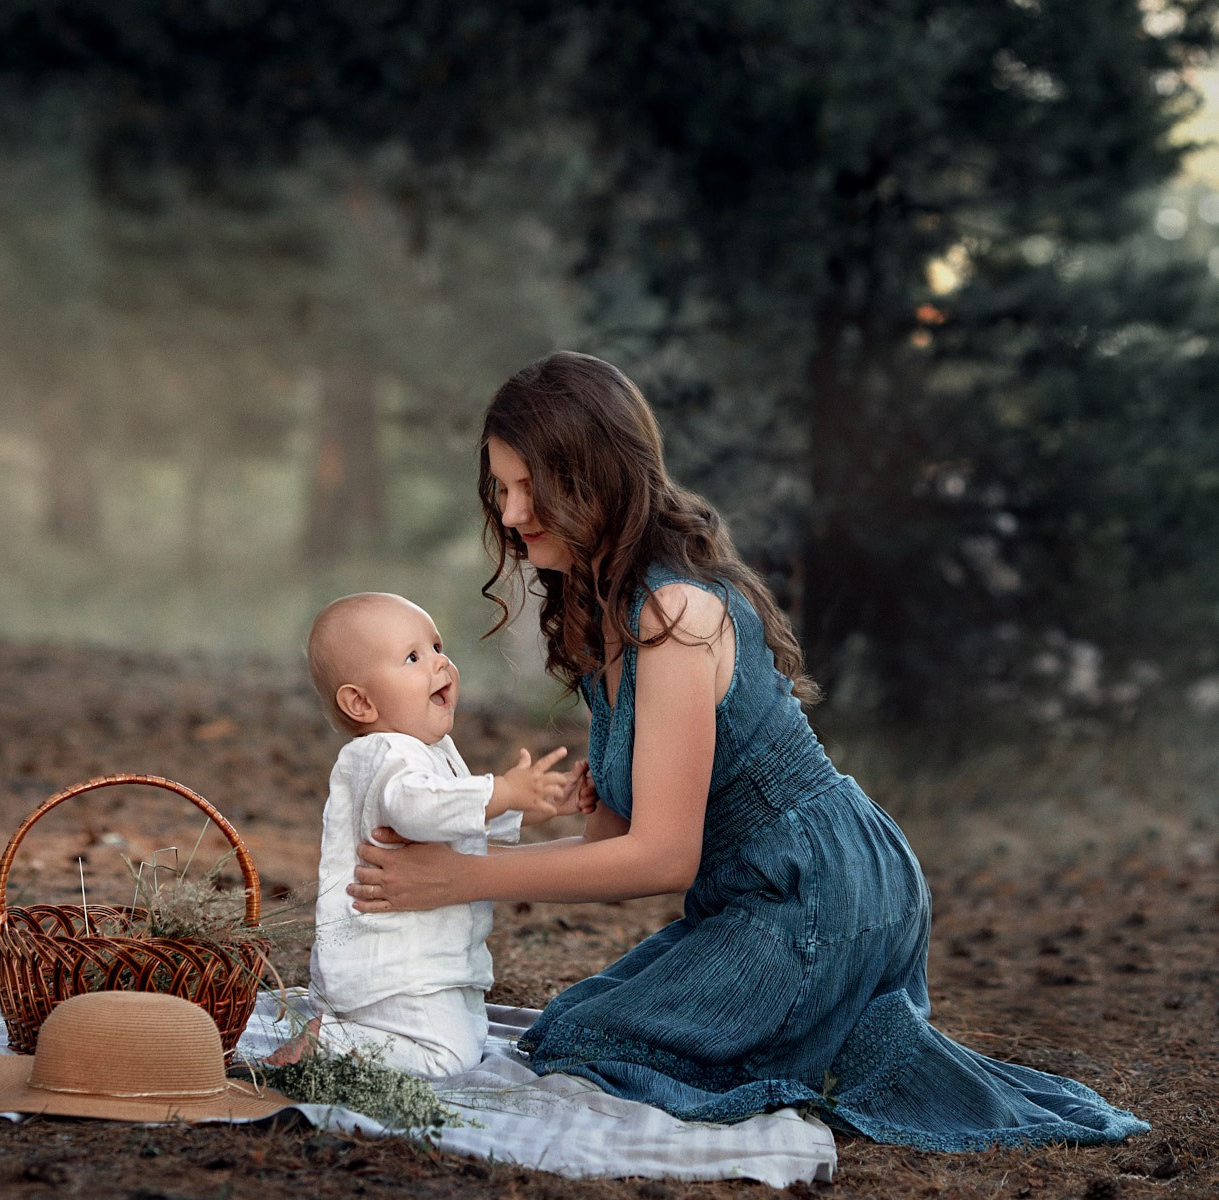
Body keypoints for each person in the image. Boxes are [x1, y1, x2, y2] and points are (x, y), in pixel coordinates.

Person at [346, 351, 1148, 1149]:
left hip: (821, 890)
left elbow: (663, 860)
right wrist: (560, 806)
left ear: (596, 478)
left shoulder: (676, 615)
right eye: (502, 487)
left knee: (589, 1048)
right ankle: (822, 1025)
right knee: (567, 1026)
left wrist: (462, 879)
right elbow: (616, 848)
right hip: (752, 894)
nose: (515, 513)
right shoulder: (601, 614)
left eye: (533, 488)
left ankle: (845, 1033)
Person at [271, 591, 583, 1077]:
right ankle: (330, 1043)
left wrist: (533, 806)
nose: (440, 664)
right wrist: (502, 790)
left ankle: (345, 1036)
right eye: (413, 657)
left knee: (464, 1041)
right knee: (447, 1061)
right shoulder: (384, 754)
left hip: (422, 967)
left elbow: (454, 820)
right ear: (361, 702)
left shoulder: (423, 750)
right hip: (394, 971)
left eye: (438, 647)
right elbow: (418, 810)